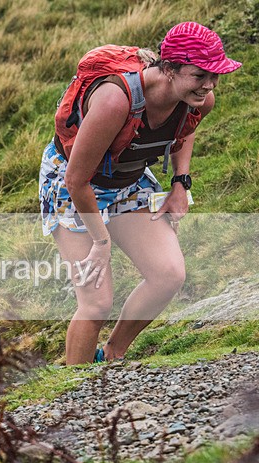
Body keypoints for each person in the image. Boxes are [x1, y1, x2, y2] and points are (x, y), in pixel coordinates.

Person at [39, 22, 241, 365]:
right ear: (169, 69)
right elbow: (76, 180)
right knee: (96, 303)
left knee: (168, 275)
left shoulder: (199, 99)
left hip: (128, 183)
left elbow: (186, 129)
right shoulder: (115, 101)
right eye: (198, 75)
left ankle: (113, 354)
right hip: (74, 189)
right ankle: (71, 396)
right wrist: (101, 244)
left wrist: (181, 182)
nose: (208, 85)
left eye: (215, 75)